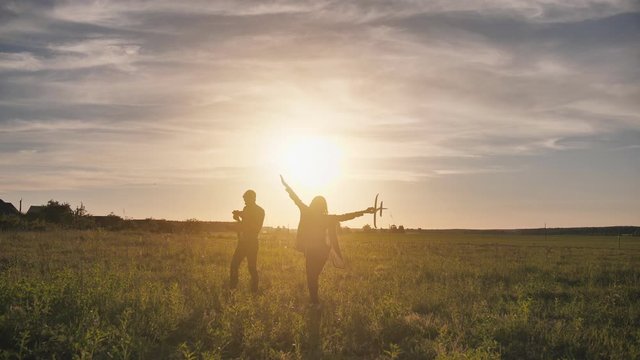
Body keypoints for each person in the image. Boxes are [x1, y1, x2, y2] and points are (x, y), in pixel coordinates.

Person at [280, 175, 375, 305]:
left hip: (312, 251)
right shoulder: (327, 218)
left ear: (313, 203)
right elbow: (345, 217)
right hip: (322, 252)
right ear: (324, 206)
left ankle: (315, 303)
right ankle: (315, 302)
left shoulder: (307, 211)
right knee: (314, 277)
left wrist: (286, 186)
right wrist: (364, 211)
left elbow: (296, 198)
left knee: (311, 277)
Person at [230, 189, 265, 293]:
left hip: (252, 243)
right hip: (243, 242)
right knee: (234, 265)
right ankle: (232, 289)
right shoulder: (246, 209)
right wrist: (238, 218)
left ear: (252, 198)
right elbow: (244, 226)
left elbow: (255, 227)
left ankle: (254, 291)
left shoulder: (260, 211)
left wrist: (242, 216)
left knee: (251, 268)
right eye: (244, 199)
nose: (244, 201)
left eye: (246, 198)